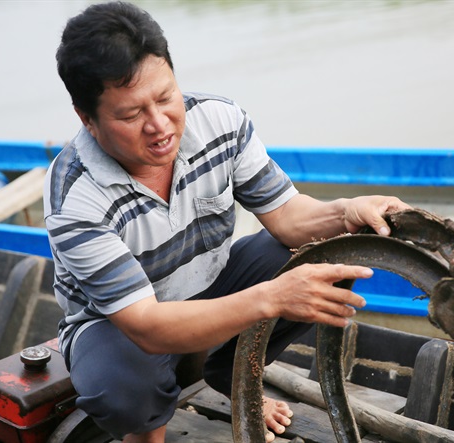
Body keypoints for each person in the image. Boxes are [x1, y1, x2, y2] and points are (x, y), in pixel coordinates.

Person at [45, 2, 411, 442]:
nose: (160, 125)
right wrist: (272, 298)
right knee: (123, 388)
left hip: (212, 285)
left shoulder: (220, 121)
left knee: (317, 254)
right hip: (121, 327)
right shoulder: (76, 197)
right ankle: (145, 433)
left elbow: (288, 218)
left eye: (165, 97)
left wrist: (346, 211)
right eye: (130, 114)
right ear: (87, 118)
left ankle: (233, 375)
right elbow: (145, 324)